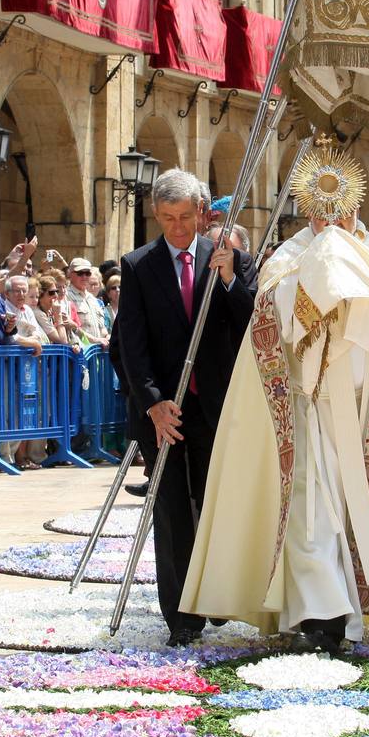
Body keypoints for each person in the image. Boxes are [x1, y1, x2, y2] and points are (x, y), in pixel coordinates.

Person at [181, 139, 369, 651]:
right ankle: (322, 613)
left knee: (353, 506)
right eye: (320, 212)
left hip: (365, 412)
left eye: (339, 210)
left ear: (355, 207)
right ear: (307, 212)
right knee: (309, 510)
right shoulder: (286, 259)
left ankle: (351, 602)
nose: (330, 220)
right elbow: (268, 327)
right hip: (304, 410)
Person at [116, 169, 257, 647]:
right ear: (156, 215)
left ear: (203, 213)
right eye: (167, 218)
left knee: (216, 505)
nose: (177, 228)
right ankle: (181, 617)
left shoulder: (231, 259)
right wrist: (153, 404)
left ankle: (219, 597)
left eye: (185, 217)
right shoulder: (138, 265)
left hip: (219, 406)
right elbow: (129, 347)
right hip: (166, 414)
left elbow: (254, 324)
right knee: (173, 509)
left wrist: (230, 280)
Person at [66, 259, 110, 347]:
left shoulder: (93, 299)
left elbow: (101, 328)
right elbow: (72, 329)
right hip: (79, 354)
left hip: (96, 354)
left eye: (87, 273)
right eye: (80, 273)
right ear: (70, 274)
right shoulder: (66, 296)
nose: (84, 277)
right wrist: (95, 341)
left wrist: (107, 337)